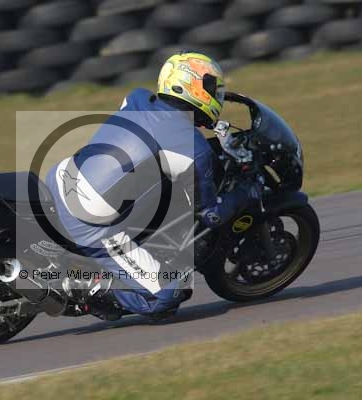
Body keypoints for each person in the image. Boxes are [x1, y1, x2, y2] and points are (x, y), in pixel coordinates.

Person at [45, 52, 262, 320]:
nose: (216, 96)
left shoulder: (136, 98)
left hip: (61, 177)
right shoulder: (195, 151)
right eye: (212, 89)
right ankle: (87, 287)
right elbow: (211, 215)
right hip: (89, 223)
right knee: (169, 293)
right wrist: (246, 192)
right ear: (192, 87)